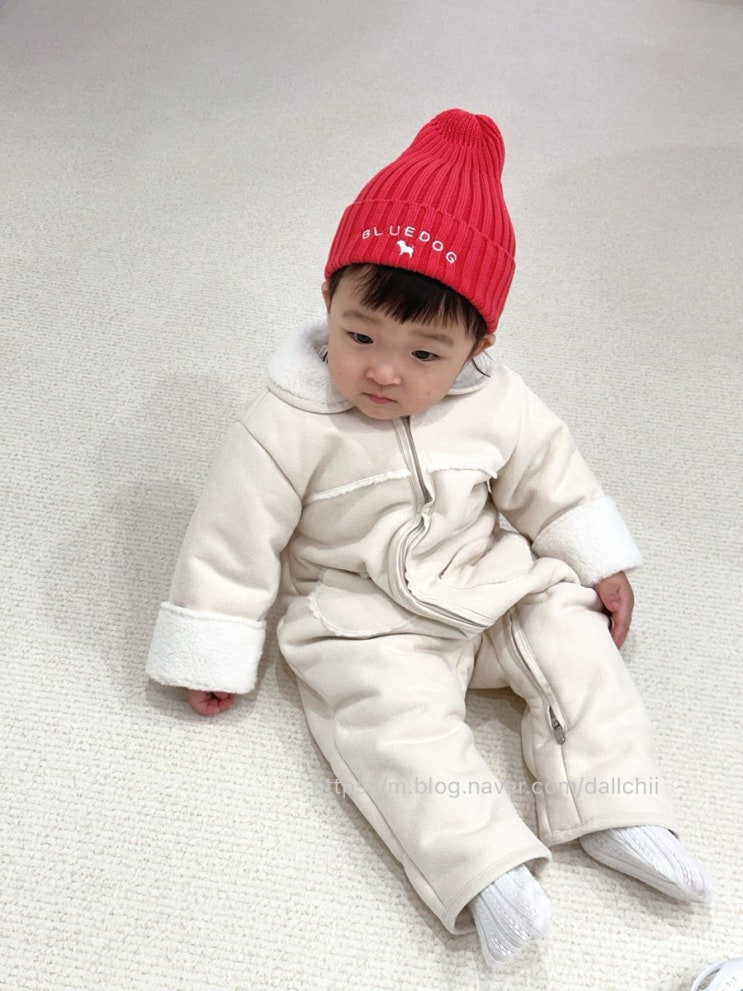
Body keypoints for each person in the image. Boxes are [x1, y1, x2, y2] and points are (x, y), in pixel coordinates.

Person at [146, 109, 711, 966]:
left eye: (424, 354)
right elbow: (231, 538)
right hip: (364, 620)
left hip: (488, 579)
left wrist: (597, 560)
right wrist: (213, 650)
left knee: (573, 635)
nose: (383, 370)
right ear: (328, 300)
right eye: (359, 336)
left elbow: (549, 473)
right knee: (391, 728)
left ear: (478, 344)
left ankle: (612, 800)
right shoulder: (284, 422)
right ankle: (482, 867)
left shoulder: (499, 400)